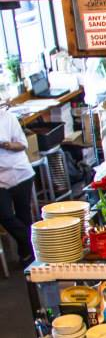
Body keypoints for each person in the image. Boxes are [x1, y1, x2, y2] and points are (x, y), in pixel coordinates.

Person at [0, 107, 36, 266]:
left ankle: (27, 254)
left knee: (24, 215)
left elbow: (22, 145)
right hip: (1, 178)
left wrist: (6, 145)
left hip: (19, 171)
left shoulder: (7, 118)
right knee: (4, 215)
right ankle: (33, 243)